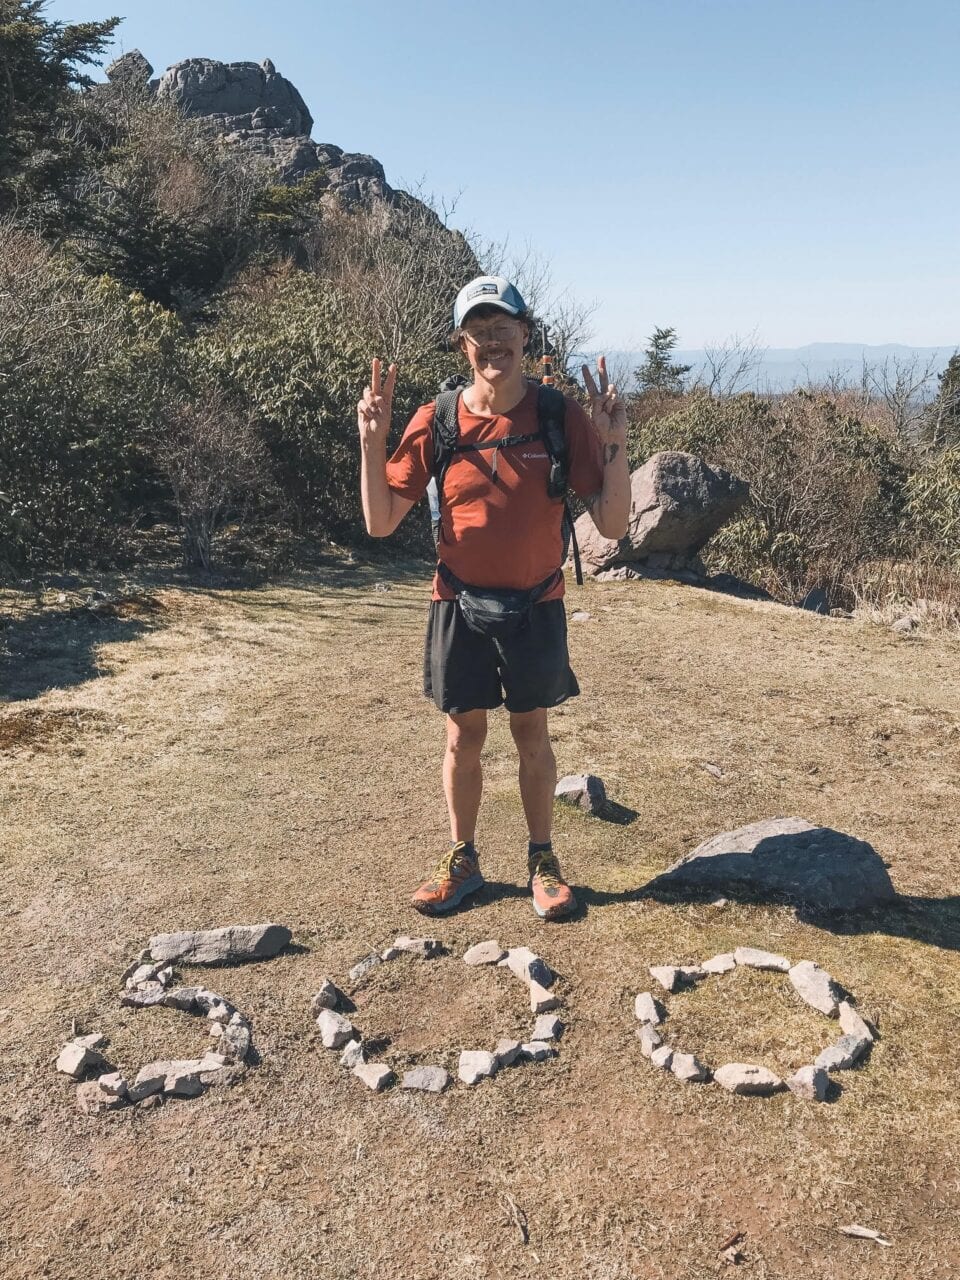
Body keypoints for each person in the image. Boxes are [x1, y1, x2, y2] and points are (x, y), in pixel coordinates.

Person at [357, 275, 629, 920]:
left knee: (531, 731)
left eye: (502, 328)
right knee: (463, 734)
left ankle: (542, 859)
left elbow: (614, 524)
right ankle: (463, 858)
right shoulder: (439, 419)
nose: (491, 341)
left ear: (526, 337)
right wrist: (371, 444)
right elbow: (380, 521)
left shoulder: (560, 417)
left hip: (536, 602)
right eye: (478, 332)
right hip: (457, 600)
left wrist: (614, 443)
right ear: (463, 345)